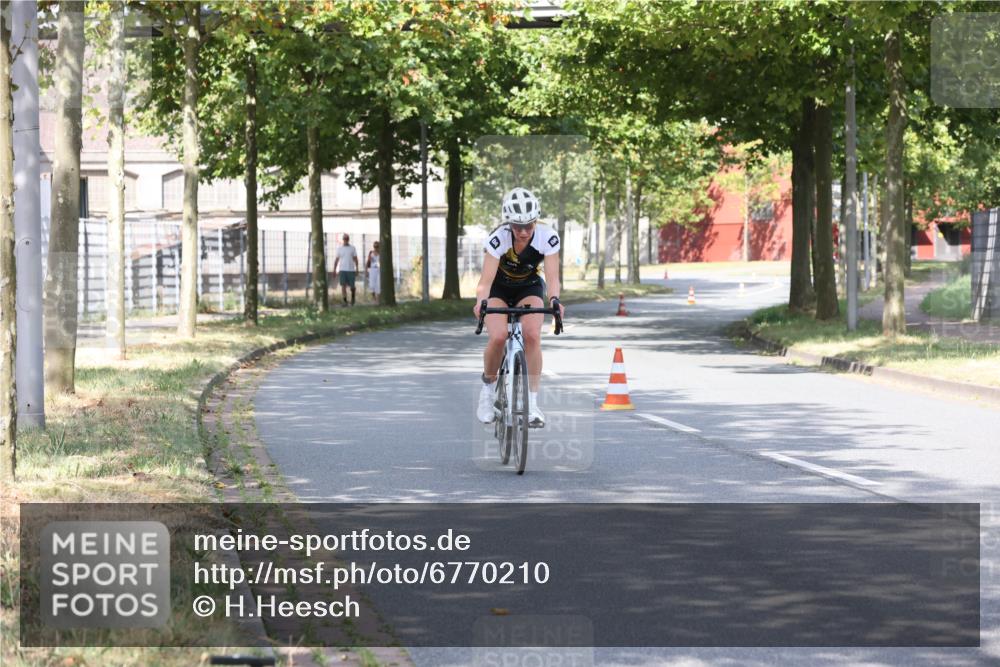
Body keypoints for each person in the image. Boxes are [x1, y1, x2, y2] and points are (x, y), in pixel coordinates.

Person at [474, 187, 564, 427]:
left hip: (529, 287)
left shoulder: (548, 236)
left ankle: (532, 405)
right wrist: (481, 302)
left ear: (536, 221)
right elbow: (485, 282)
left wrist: (554, 300)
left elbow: (552, 277)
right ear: (508, 223)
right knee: (498, 336)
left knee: (532, 334)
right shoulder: (498, 239)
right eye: (517, 226)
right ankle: (487, 393)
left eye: (529, 226)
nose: (523, 232)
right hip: (499, 288)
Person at [333, 234, 359, 306]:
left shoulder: (352, 248)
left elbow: (355, 259)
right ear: (343, 239)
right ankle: (345, 301)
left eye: (347, 239)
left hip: (351, 270)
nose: (345, 240)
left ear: (348, 239)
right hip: (342, 270)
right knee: (343, 286)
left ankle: (353, 298)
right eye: (344, 239)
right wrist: (334, 270)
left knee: (352, 286)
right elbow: (336, 260)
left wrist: (357, 269)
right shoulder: (339, 248)